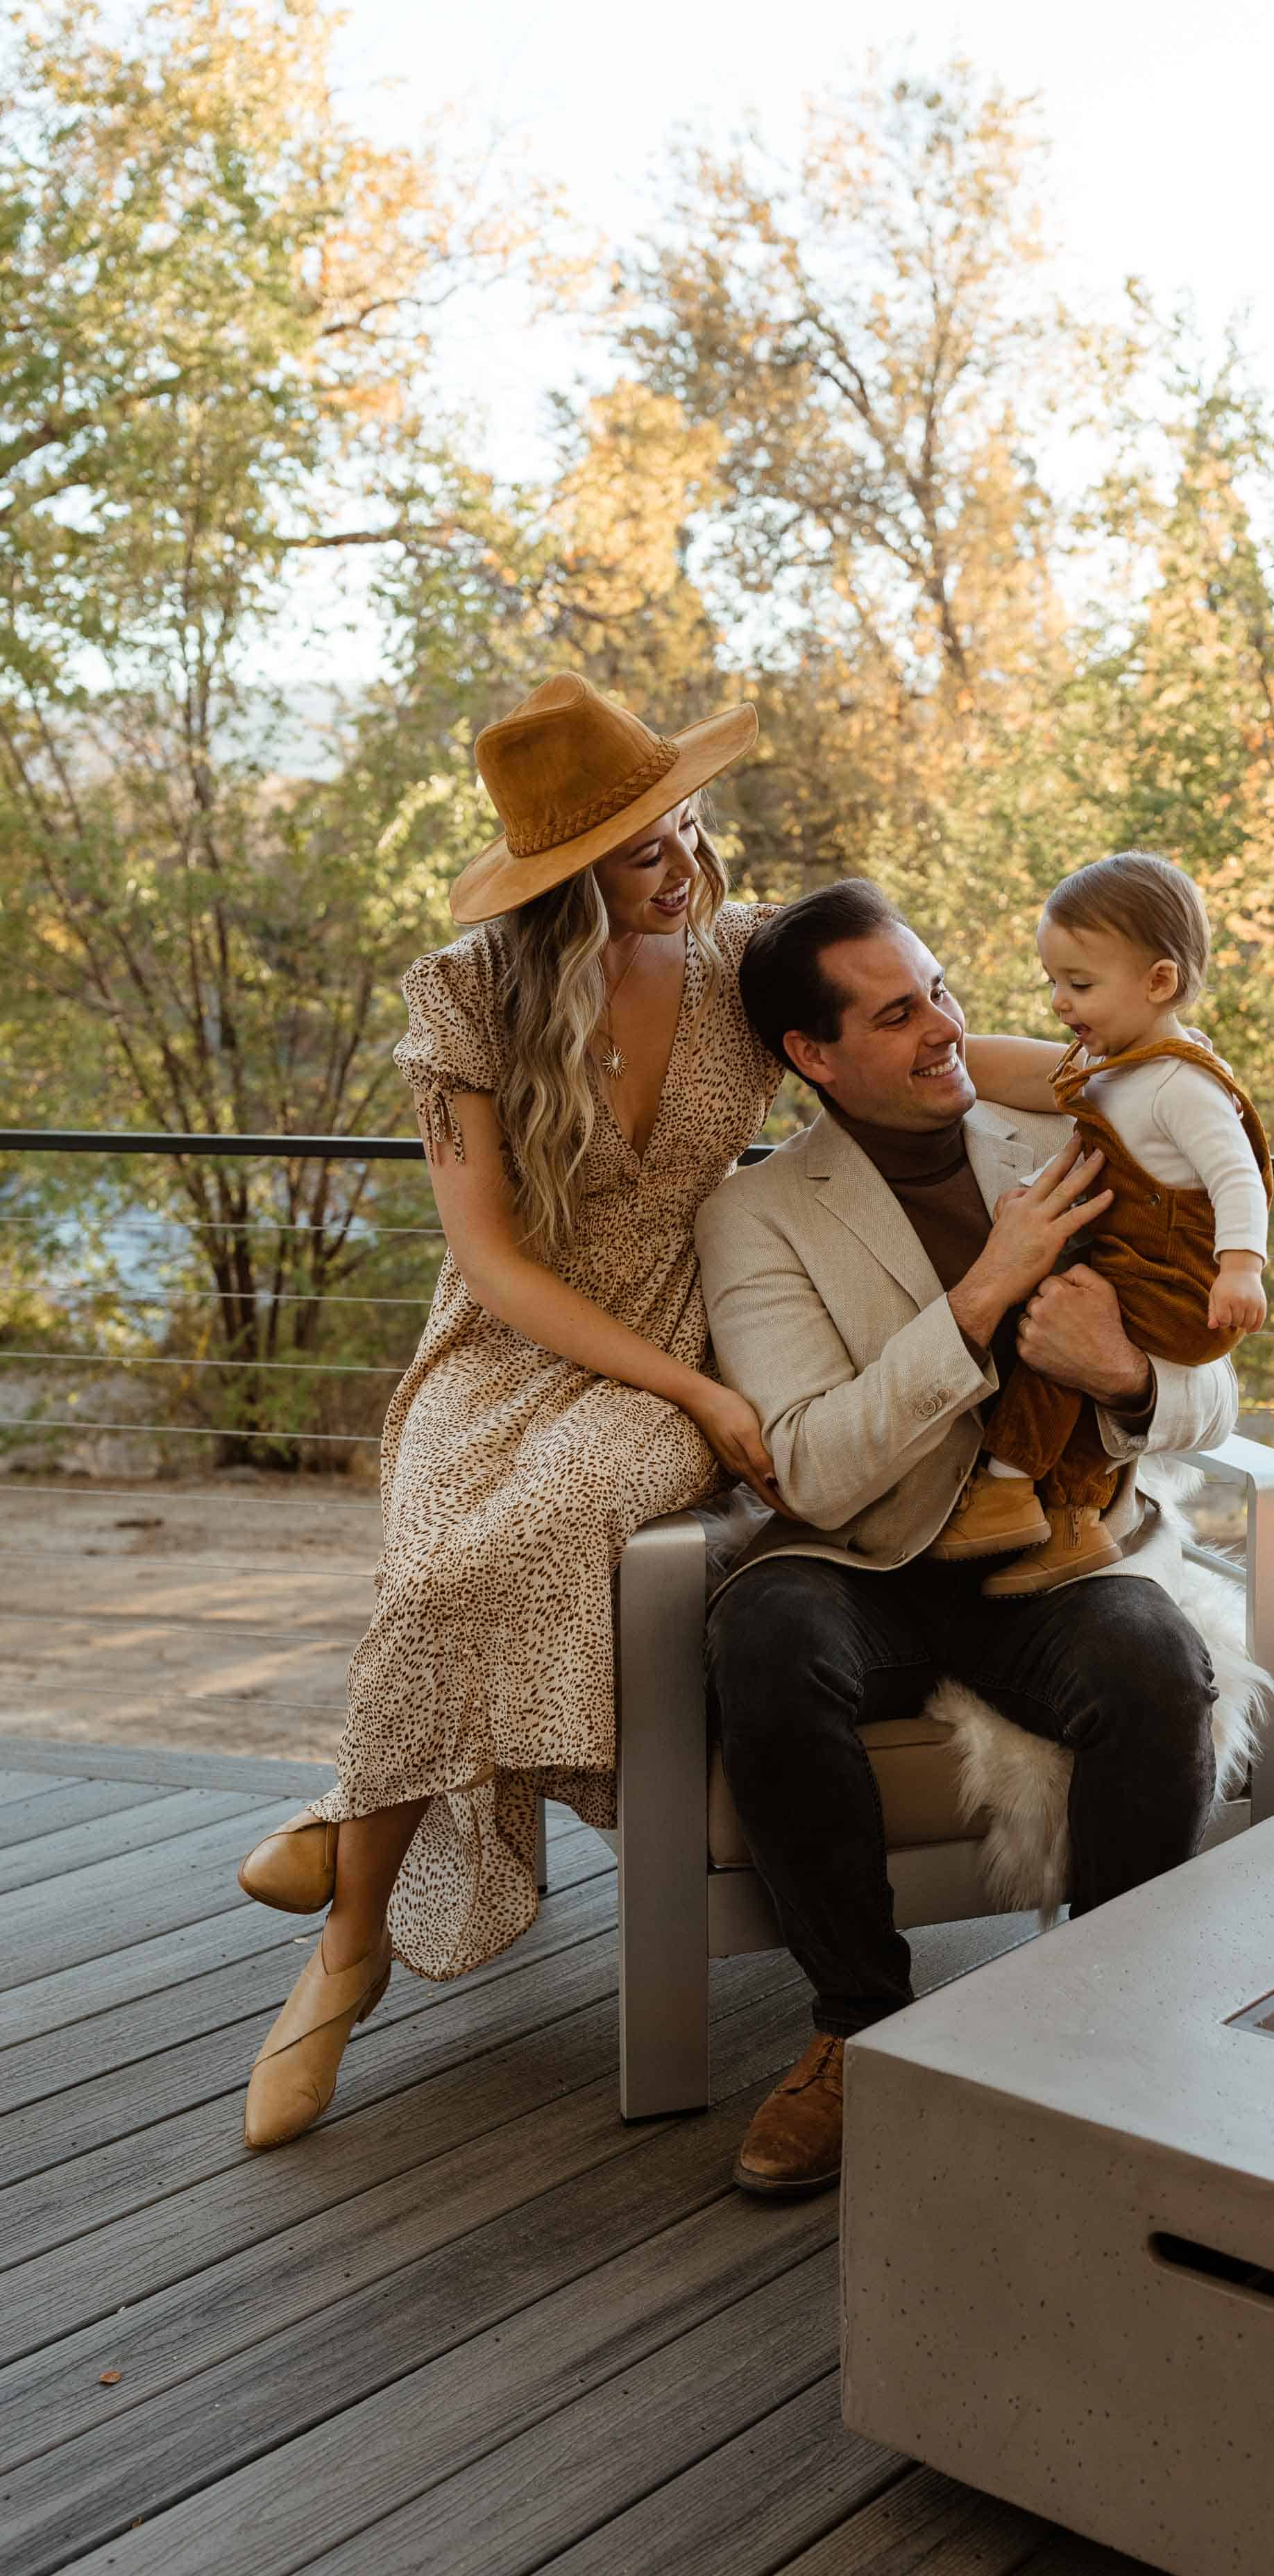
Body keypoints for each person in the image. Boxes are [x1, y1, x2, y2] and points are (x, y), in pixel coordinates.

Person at [230, 672, 788, 2149]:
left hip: (680, 1328)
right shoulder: (465, 995)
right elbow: (486, 1256)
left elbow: (905, 1048)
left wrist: (1120, 1072)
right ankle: (366, 1848)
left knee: (492, 1558)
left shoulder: (748, 965)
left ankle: (343, 1942)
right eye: (639, 856)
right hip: (504, 1345)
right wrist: (693, 1398)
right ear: (560, 892)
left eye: (681, 828)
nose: (682, 865)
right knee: (433, 1556)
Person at [695, 878, 1243, 2201]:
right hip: (866, 1566)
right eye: (898, 1014)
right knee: (761, 1630)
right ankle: (856, 2029)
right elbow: (814, 1466)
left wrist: (1124, 1379)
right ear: (813, 1058)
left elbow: (1215, 1383)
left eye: (942, 988)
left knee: (1153, 1659)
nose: (945, 1026)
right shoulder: (755, 1215)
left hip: (1048, 1557)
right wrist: (986, 1288)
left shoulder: (1070, 1130)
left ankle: (1100, 2032)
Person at [928, 851, 1271, 1595]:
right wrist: (931, 1052)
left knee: (1053, 1346)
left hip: (1178, 1282)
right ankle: (1068, 1519)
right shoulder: (1116, 1065)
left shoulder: (1179, 1085)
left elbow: (1237, 1173)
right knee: (1061, 1350)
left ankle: (1006, 1490)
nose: (1059, 1002)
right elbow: (1024, 1076)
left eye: (1079, 984)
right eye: (1051, 981)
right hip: (1134, 1264)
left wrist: (1242, 1264)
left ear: (1158, 983)